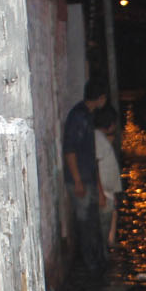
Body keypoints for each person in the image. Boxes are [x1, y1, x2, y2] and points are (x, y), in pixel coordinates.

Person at [62, 78, 108, 272]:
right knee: (84, 223)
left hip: (87, 177)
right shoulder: (79, 117)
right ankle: (90, 264)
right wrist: (78, 181)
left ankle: (97, 261)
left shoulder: (87, 115)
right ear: (100, 98)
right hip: (80, 179)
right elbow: (70, 151)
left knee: (92, 221)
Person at [94, 102, 123, 249]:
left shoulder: (101, 138)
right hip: (104, 193)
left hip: (108, 193)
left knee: (110, 222)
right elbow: (94, 167)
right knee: (103, 233)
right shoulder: (97, 139)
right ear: (110, 124)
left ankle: (109, 247)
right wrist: (100, 193)